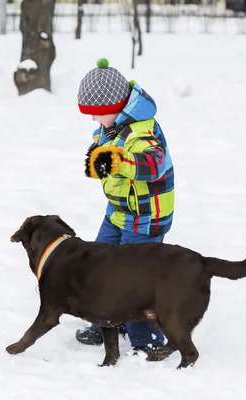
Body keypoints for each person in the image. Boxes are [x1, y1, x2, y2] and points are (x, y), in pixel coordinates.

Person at [75, 58, 176, 355]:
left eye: (96, 114)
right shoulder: (115, 125)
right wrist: (100, 159)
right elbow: (106, 144)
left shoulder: (142, 131)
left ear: (115, 107)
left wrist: (117, 162)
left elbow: (154, 164)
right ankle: (107, 319)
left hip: (145, 217)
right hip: (118, 212)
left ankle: (147, 337)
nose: (94, 120)